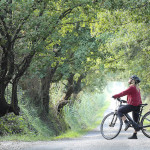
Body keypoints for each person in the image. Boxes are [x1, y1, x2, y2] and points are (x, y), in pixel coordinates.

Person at [112, 75, 142, 139]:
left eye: (130, 79)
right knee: (135, 122)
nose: (129, 80)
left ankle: (126, 123)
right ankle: (135, 135)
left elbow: (123, 93)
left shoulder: (132, 87)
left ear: (132, 80)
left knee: (119, 110)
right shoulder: (137, 88)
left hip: (133, 105)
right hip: (137, 105)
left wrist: (115, 96)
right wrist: (126, 101)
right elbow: (135, 97)